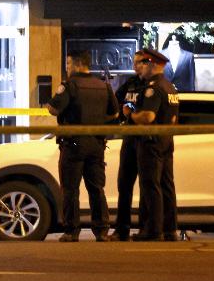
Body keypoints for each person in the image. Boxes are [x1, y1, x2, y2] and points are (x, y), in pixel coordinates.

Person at [46, 50, 119, 242]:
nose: (67, 68)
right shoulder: (103, 86)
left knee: (70, 190)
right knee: (96, 189)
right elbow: (114, 113)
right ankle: (101, 230)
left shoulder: (70, 85)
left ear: (78, 64)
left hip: (73, 145)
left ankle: (71, 231)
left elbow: (54, 109)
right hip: (96, 144)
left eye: (68, 64)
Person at [130, 48, 180, 241]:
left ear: (151, 64)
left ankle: (153, 230)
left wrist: (132, 116)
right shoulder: (170, 87)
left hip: (151, 143)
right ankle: (170, 230)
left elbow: (148, 116)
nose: (140, 67)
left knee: (151, 186)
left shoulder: (154, 87)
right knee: (167, 186)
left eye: (143, 63)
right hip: (166, 141)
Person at [108, 51, 148, 242]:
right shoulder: (131, 83)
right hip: (129, 139)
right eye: (134, 62)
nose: (135, 66)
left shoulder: (152, 86)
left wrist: (130, 113)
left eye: (139, 62)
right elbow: (116, 100)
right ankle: (122, 229)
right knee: (124, 185)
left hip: (146, 141)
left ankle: (146, 228)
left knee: (147, 187)